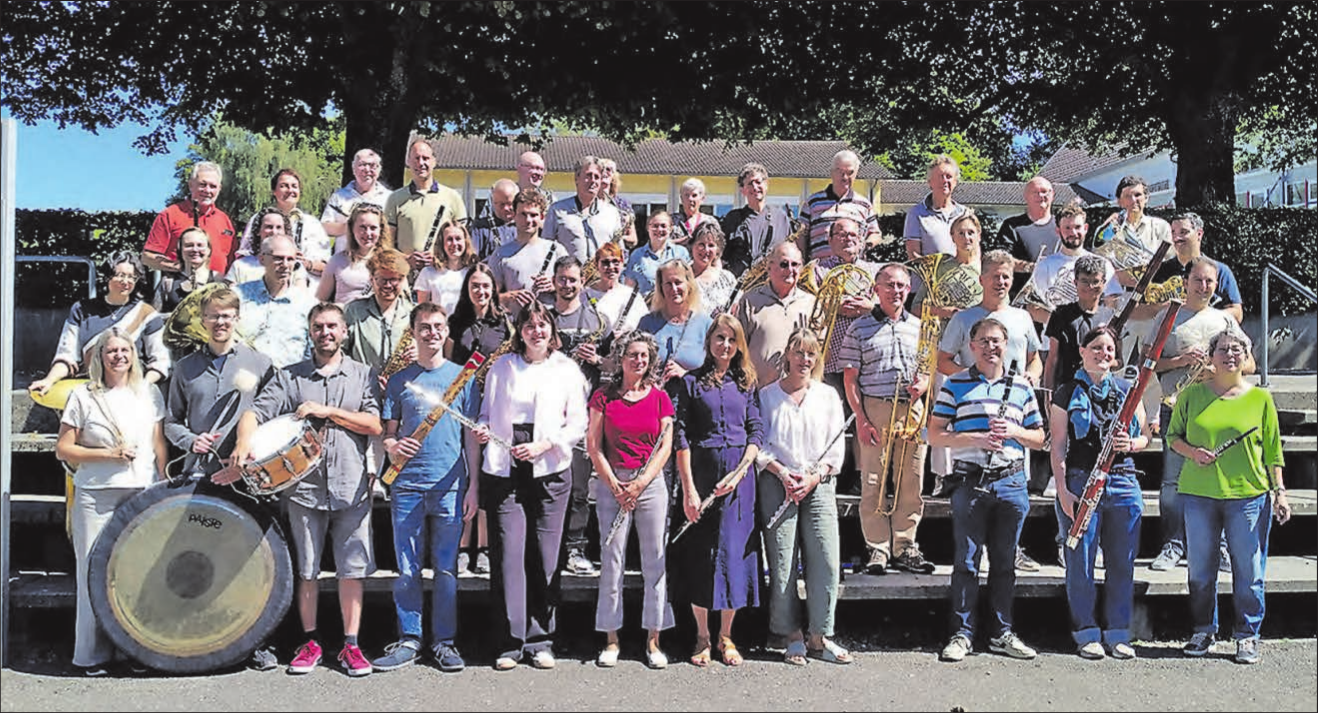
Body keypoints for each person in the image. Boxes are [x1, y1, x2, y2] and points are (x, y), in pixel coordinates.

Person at [228, 302, 383, 677]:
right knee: (307, 570)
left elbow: (374, 424)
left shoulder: (363, 374)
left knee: (351, 570)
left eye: (332, 326)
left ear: (344, 331)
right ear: (310, 332)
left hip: (351, 486)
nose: (325, 333)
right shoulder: (290, 376)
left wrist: (328, 412)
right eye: (318, 327)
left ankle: (351, 645)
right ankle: (310, 642)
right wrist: (243, 442)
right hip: (302, 489)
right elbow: (255, 413)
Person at [162, 286, 280, 670]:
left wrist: (249, 443)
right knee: (200, 560)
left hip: (245, 481)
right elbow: (170, 422)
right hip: (200, 477)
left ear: (237, 318)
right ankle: (201, 639)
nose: (220, 322)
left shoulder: (259, 363)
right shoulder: (185, 368)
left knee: (248, 564)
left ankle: (254, 643)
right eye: (213, 315)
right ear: (203, 320)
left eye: (227, 315)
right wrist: (191, 440)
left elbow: (274, 412)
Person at [473, 301, 588, 670]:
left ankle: (540, 640)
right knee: (508, 556)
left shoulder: (566, 369)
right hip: (505, 468)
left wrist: (545, 445)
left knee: (544, 556)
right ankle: (509, 643)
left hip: (550, 468)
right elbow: (487, 413)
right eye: (529, 325)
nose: (536, 331)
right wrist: (483, 429)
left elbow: (578, 423)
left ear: (551, 330)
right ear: (519, 332)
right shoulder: (502, 366)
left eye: (542, 325)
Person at [371, 303, 481, 674]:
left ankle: (444, 641)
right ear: (413, 332)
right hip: (407, 486)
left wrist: (473, 487)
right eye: (424, 327)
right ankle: (410, 638)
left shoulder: (463, 378)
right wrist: (392, 447)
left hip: (449, 486)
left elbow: (470, 438)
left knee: (446, 569)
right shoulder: (399, 380)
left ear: (446, 331)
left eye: (437, 326)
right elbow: (388, 434)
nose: (432, 333)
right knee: (407, 568)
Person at [1169, 328, 1289, 664]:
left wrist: (1280, 493)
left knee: (1249, 571)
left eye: (1237, 349)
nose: (1230, 355)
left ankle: (1247, 635)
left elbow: (1273, 451)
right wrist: (1193, 453)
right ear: (1211, 356)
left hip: (1249, 496)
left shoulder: (1261, 398)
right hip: (1199, 494)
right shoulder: (1192, 395)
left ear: (1247, 356)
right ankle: (1203, 630)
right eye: (1222, 349)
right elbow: (1172, 438)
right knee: (1200, 571)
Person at [929, 317, 1046, 663]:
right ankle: (962, 634)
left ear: (1006, 346)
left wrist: (1013, 431)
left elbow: (1039, 438)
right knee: (966, 562)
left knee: (1005, 563)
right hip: (970, 481)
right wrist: (977, 438)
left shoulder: (1021, 387)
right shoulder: (955, 384)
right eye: (984, 340)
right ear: (972, 346)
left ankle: (1001, 633)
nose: (990, 347)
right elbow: (934, 434)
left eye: (997, 341)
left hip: (1011, 482)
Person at [55, 329, 168, 676]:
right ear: (100, 357)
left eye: (125, 350)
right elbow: (64, 449)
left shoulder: (148, 392)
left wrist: (163, 483)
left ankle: (134, 650)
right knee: (92, 571)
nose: (119, 356)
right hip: (96, 494)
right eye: (111, 351)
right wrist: (109, 454)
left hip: (141, 491)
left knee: (137, 573)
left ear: (134, 355)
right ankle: (92, 655)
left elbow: (158, 443)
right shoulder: (82, 395)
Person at [937, 250, 1044, 571]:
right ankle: (979, 552)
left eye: (1006, 276)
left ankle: (1013, 549)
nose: (1001, 282)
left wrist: (1031, 376)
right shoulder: (963, 318)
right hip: (975, 416)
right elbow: (942, 360)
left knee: (1013, 486)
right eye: (994, 276)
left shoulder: (1023, 318)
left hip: (1013, 412)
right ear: (982, 279)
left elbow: (1035, 359)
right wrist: (974, 383)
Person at [1049, 326, 1149, 660]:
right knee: (1081, 562)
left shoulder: (1128, 390)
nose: (1103, 353)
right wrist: (1063, 490)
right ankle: (1086, 632)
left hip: (1123, 482)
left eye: (1109, 349)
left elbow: (1145, 437)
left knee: (1122, 562)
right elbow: (1058, 445)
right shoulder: (1065, 392)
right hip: (1081, 481)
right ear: (1082, 351)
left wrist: (1130, 444)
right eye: (1096, 347)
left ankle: (1118, 632)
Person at [1148, 258, 1252, 572]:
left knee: (1218, 481)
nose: (1204, 287)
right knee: (1172, 482)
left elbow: (1249, 365)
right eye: (1198, 280)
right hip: (1176, 408)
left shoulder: (1225, 321)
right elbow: (1147, 362)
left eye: (1210, 282)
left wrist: (1218, 370)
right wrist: (1180, 361)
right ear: (1185, 282)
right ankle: (1173, 545)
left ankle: (1219, 548)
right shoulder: (1168, 316)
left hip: (1217, 410)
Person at [670, 314, 762, 667]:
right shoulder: (691, 382)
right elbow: (680, 436)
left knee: (734, 555)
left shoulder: (747, 383)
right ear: (709, 341)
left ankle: (726, 635)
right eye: (719, 338)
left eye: (731, 339)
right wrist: (690, 490)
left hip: (740, 481)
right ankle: (702, 635)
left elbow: (756, 431)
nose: (725, 345)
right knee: (702, 555)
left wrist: (739, 474)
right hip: (702, 475)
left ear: (739, 345)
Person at [756, 328, 851, 666]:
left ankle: (819, 636)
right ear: (787, 355)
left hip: (817, 482)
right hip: (777, 481)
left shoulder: (827, 396)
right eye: (798, 352)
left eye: (810, 353)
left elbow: (836, 446)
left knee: (825, 558)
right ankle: (791, 635)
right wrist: (782, 473)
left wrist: (814, 477)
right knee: (782, 561)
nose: (804, 359)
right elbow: (759, 444)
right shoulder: (767, 396)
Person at [586, 331, 676, 669]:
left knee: (655, 561)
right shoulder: (603, 397)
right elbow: (593, 445)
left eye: (644, 356)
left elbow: (665, 445)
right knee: (612, 559)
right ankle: (611, 638)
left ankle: (654, 640)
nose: (638, 361)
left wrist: (640, 483)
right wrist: (615, 484)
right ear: (620, 358)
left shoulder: (660, 398)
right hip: (612, 481)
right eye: (632, 355)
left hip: (649, 484)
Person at [840, 263, 935, 575]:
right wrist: (861, 419)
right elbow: (850, 379)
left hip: (912, 410)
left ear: (908, 290)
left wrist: (923, 384)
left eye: (901, 286)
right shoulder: (858, 328)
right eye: (889, 284)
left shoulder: (921, 327)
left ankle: (905, 545)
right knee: (874, 482)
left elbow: (928, 369)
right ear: (876, 290)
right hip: (875, 408)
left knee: (911, 481)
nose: (896, 291)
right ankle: (878, 547)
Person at [546, 255, 614, 576]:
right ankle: (547, 547)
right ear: (554, 280)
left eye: (573, 279)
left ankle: (575, 547)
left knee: (578, 488)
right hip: (546, 415)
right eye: (562, 279)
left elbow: (614, 365)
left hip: (581, 416)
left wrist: (597, 359)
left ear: (582, 281)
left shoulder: (598, 321)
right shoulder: (543, 318)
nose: (567, 284)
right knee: (545, 484)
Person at [30, 251, 170, 397]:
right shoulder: (81, 310)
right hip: (90, 392)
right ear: (107, 276)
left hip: (131, 392)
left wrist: (142, 387)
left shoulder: (147, 314)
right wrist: (49, 380)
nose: (126, 281)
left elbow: (160, 361)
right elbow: (67, 355)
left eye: (131, 277)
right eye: (120, 275)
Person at [444, 263, 510, 575]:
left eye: (485, 286)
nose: (480, 291)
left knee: (485, 474)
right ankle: (461, 545)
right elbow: (446, 363)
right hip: (461, 404)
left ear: (493, 289)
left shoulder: (505, 324)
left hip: (493, 405)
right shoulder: (455, 323)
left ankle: (482, 547)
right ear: (467, 289)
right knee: (464, 474)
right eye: (475, 286)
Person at [735, 241, 816, 387]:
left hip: (799, 392)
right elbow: (738, 348)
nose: (790, 269)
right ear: (769, 267)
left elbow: (820, 351)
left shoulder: (811, 303)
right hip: (758, 391)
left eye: (795, 264)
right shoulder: (750, 300)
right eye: (784, 264)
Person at [235, 235, 319, 369]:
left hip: (290, 378)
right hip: (245, 375)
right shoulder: (238, 296)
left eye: (290, 259)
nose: (285, 265)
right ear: (262, 259)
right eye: (278, 258)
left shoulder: (308, 304)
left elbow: (316, 350)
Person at [385, 138, 467, 274]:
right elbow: (386, 245)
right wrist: (406, 259)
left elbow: (463, 243)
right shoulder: (395, 199)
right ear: (408, 162)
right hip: (405, 276)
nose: (421, 163)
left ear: (434, 161)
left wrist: (440, 258)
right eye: (416, 158)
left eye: (425, 158)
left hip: (442, 275)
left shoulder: (453, 197)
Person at [1144, 211, 1244, 323]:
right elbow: (1141, 310)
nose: (1176, 238)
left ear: (1199, 234)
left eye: (1183, 232)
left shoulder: (1220, 270)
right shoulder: (1159, 271)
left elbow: (1237, 313)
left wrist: (1203, 315)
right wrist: (1161, 308)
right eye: (1173, 232)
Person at [142, 161, 237, 275]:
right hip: (180, 283)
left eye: (213, 186)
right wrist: (181, 268)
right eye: (202, 185)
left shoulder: (224, 220)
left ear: (219, 188)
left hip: (218, 284)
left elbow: (233, 260)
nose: (207, 190)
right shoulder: (170, 215)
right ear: (191, 185)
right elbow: (147, 257)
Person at [237, 168, 333, 281]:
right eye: (284, 186)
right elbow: (243, 256)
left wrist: (306, 264)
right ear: (274, 191)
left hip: (304, 287)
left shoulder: (313, 224)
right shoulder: (259, 219)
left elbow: (328, 268)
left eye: (294, 186)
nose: (290, 190)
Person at [637, 260, 714, 386]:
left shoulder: (706, 325)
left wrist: (686, 375)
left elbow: (715, 372)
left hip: (692, 396)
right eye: (668, 284)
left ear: (689, 285)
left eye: (678, 282)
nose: (673, 289)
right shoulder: (647, 323)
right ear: (661, 288)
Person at [343, 248, 415, 381]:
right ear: (372, 280)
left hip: (403, 385)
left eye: (394, 280)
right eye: (382, 279)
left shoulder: (414, 313)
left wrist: (421, 354)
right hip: (362, 385)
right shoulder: (353, 310)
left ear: (403, 280)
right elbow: (340, 352)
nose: (388, 285)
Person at [543, 155, 626, 263]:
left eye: (597, 177)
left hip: (601, 272)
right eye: (588, 175)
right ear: (577, 178)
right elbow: (545, 247)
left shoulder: (612, 212)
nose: (593, 181)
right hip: (568, 272)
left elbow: (618, 251)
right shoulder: (556, 210)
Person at [490, 188, 559, 315]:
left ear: (542, 217)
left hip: (550, 320)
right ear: (514, 215)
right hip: (516, 321)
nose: (528, 220)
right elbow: (489, 297)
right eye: (523, 214)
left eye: (533, 215)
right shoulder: (501, 254)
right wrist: (509, 296)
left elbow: (575, 289)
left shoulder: (556, 250)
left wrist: (556, 285)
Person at [800, 149, 879, 260]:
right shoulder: (813, 203)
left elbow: (875, 233)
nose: (845, 177)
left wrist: (865, 245)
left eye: (850, 172)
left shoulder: (864, 205)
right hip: (819, 268)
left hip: (853, 268)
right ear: (832, 172)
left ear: (856, 173)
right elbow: (801, 236)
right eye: (839, 171)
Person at [721, 162, 795, 276]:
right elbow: (722, 257)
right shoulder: (733, 218)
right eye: (750, 184)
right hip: (740, 282)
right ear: (742, 190)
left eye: (758, 182)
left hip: (774, 281)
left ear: (766, 184)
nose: (755, 187)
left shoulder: (781, 217)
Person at [997, 176, 1059, 294]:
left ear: (1052, 195)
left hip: (1058, 296)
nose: (1040, 195)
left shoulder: (1063, 226)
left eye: (1044, 191)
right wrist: (1031, 267)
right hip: (1021, 297)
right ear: (1026, 197)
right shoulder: (1012, 226)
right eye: (1035, 192)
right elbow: (1001, 260)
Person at [318, 204, 388, 305]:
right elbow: (321, 301)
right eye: (362, 227)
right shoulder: (337, 261)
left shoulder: (391, 261)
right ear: (352, 228)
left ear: (381, 230)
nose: (368, 233)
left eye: (373, 228)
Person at [904, 154, 967, 261]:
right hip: (929, 271)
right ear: (930, 182)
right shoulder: (916, 214)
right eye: (940, 177)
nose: (944, 181)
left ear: (955, 182)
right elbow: (913, 254)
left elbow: (973, 251)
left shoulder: (964, 214)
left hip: (960, 271)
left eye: (949, 176)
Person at [321, 148, 391, 243]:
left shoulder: (390, 198)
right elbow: (324, 227)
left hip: (378, 252)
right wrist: (351, 226)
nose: (367, 170)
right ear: (353, 169)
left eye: (372, 165)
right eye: (362, 165)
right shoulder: (338, 196)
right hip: (344, 252)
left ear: (379, 169)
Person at [151, 227, 226, 313]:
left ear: (209, 250)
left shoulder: (220, 280)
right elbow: (154, 317)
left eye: (200, 245)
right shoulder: (168, 282)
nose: (195, 249)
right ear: (180, 250)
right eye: (189, 245)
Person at [584, 242, 648, 335]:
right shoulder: (584, 295)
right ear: (596, 265)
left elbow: (644, 328)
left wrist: (625, 334)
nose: (611, 267)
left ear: (622, 263)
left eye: (615, 262)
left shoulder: (633, 296)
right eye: (605, 262)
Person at [416, 221, 476, 316]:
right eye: (449, 239)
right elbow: (422, 311)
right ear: (442, 243)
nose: (454, 243)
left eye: (458, 239)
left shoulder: (474, 272)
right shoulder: (428, 272)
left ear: (465, 242)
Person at [623, 210, 691, 294]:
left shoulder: (681, 253)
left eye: (663, 226)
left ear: (670, 228)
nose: (659, 229)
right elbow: (629, 289)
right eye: (655, 226)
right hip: (646, 302)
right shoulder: (637, 255)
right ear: (648, 228)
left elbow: (689, 283)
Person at [226, 207, 295, 287]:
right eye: (269, 227)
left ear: (285, 231)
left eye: (279, 227)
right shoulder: (240, 265)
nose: (274, 232)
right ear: (258, 231)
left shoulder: (294, 267)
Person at [689, 222, 738, 315]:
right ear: (692, 246)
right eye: (701, 244)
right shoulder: (682, 277)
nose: (706, 250)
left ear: (718, 250)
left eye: (711, 245)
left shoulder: (727, 278)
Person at [469, 178, 519, 261]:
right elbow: (473, 259)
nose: (506, 208)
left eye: (510, 204)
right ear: (493, 202)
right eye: (501, 204)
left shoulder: (525, 225)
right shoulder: (479, 228)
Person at [597, 158, 638, 249]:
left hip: (618, 254)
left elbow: (633, 239)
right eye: (601, 169)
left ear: (613, 176)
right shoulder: (588, 203)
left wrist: (616, 238)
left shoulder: (623, 205)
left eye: (608, 169)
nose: (604, 172)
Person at [672, 178, 720, 246]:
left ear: (702, 199)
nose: (690, 199)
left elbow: (718, 244)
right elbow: (661, 243)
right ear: (681, 198)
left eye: (694, 195)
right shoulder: (671, 221)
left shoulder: (710, 221)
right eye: (686, 195)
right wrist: (682, 241)